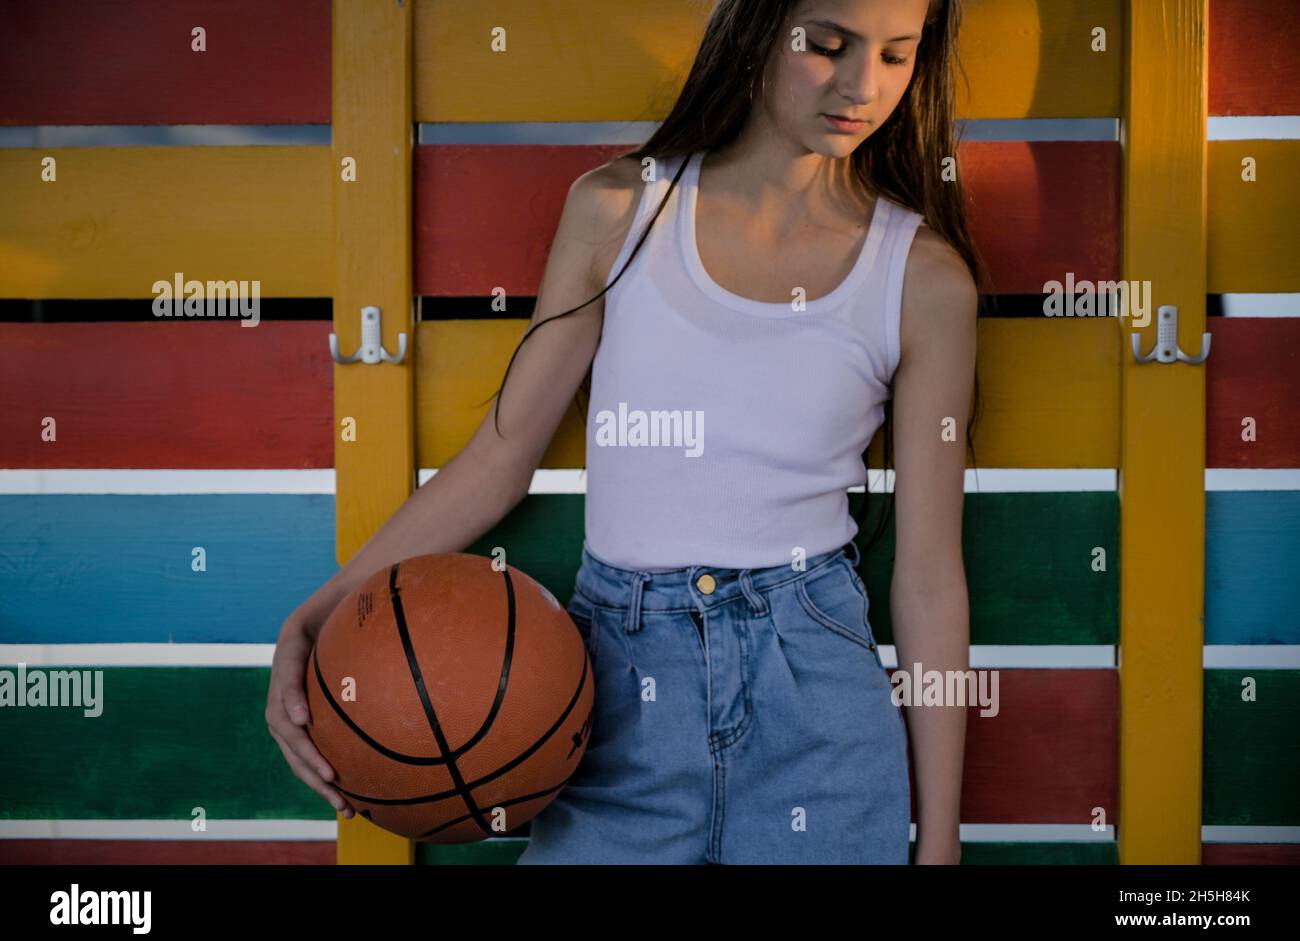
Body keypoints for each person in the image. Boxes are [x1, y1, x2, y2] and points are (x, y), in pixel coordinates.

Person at [267, 0, 982, 865]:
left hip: (816, 702)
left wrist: (939, 846)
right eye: (827, 45)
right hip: (614, 690)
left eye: (897, 55)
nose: (861, 85)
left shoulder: (924, 278)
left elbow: (931, 579)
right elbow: (501, 456)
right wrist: (317, 613)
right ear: (757, 33)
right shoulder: (620, 211)